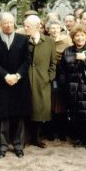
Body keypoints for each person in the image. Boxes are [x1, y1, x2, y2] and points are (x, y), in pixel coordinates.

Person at [0, 12, 31, 158]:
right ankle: (2, 147)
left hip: (19, 83)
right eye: (5, 22)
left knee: (18, 116)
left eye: (11, 22)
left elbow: (27, 61)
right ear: (0, 23)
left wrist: (17, 75)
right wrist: (5, 75)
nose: (8, 25)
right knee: (2, 117)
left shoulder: (23, 39)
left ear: (14, 23)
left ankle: (18, 145)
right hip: (1, 83)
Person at [24, 15, 57, 148]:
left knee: (40, 110)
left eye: (28, 26)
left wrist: (49, 77)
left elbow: (53, 63)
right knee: (26, 109)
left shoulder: (49, 42)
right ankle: (25, 138)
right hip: (26, 81)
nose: (25, 28)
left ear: (37, 27)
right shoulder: (23, 41)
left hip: (42, 81)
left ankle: (36, 138)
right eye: (24, 26)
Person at [46, 19, 72, 141]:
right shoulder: (45, 41)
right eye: (52, 28)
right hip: (49, 74)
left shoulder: (66, 40)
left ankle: (62, 131)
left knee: (62, 103)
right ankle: (50, 131)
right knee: (50, 103)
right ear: (48, 30)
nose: (55, 30)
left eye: (57, 28)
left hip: (63, 74)